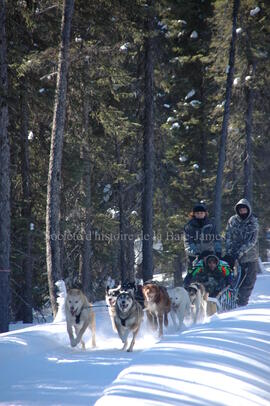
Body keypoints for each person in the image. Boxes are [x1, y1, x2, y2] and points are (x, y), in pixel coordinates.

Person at [225, 198, 259, 307]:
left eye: (244, 209)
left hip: (249, 257)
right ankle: (230, 302)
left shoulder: (253, 221)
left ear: (248, 210)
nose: (242, 211)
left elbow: (252, 241)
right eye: (240, 210)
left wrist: (240, 252)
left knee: (248, 281)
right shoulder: (233, 220)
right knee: (233, 280)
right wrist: (230, 252)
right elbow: (228, 236)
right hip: (234, 257)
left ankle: (242, 303)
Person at [184, 203, 222, 268]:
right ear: (194, 214)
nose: (200, 215)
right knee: (192, 275)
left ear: (205, 213)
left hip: (209, 254)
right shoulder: (189, 226)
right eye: (197, 213)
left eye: (201, 213)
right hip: (194, 256)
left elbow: (217, 239)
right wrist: (196, 253)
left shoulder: (211, 225)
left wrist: (218, 251)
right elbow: (188, 242)